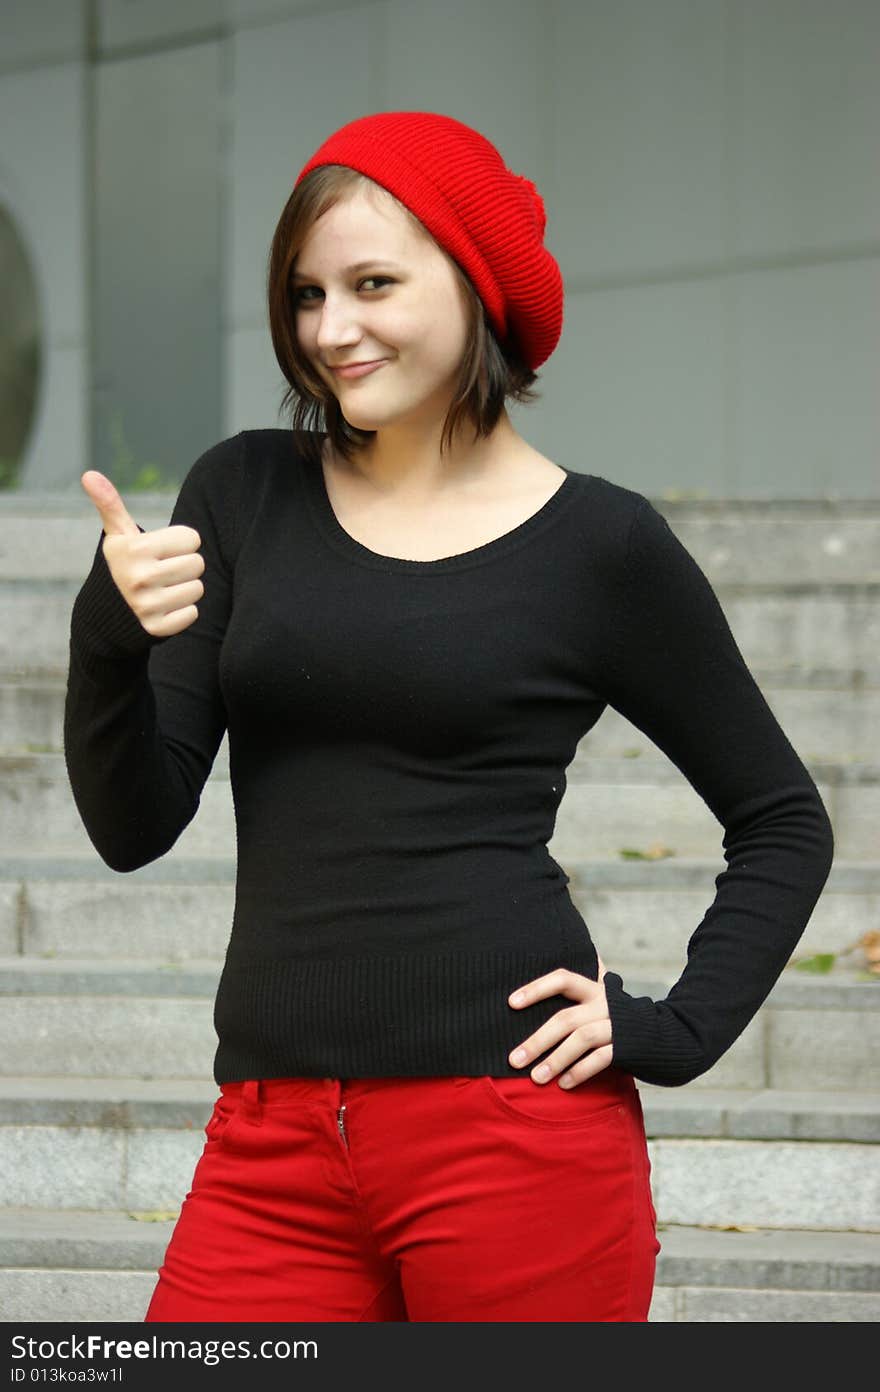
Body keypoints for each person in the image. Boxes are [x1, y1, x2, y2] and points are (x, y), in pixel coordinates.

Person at [63, 111, 835, 1323]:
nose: (331, 328)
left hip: (514, 1134)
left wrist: (672, 1028)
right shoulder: (242, 490)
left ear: (477, 286)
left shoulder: (601, 545)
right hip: (270, 1145)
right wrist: (108, 633)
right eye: (308, 293)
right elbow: (134, 823)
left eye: (373, 283)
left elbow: (783, 819)